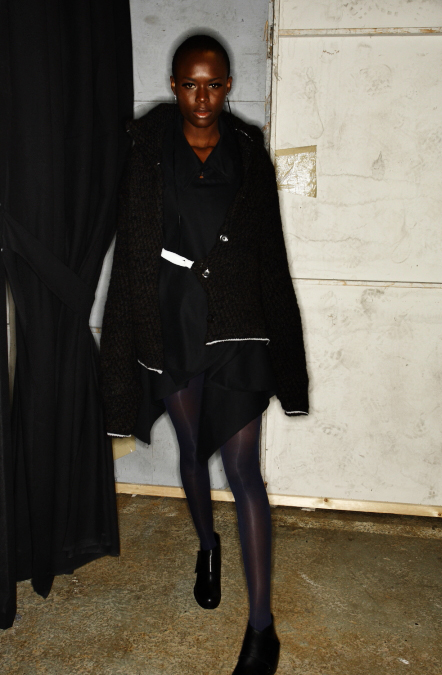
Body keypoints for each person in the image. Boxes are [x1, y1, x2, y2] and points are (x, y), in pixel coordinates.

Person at [100, 34, 309, 675]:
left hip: (240, 331)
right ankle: (207, 545)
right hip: (172, 327)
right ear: (173, 85)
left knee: (244, 471)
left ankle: (262, 628)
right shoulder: (142, 150)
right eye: (190, 84)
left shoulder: (248, 152)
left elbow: (270, 256)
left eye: (214, 84)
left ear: (228, 86)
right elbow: (130, 254)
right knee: (193, 454)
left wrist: (289, 360)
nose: (202, 97)